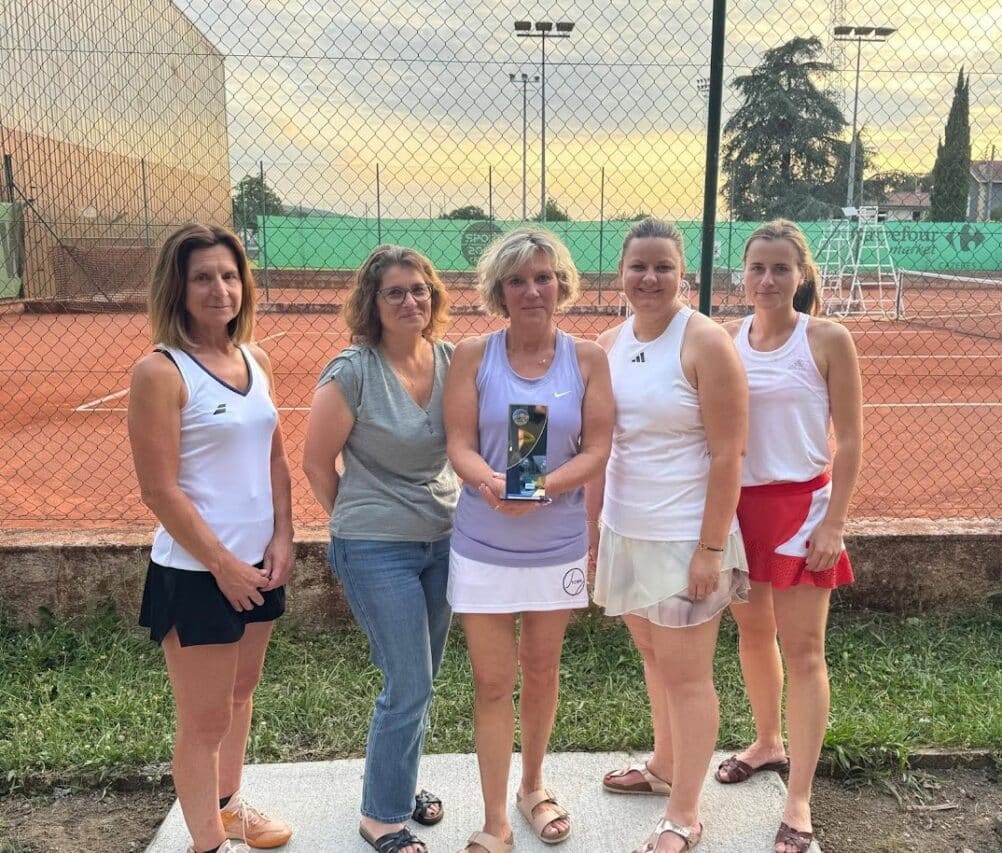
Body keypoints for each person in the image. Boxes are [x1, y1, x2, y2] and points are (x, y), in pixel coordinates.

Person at [444, 228, 613, 853]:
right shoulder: (471, 354)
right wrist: (490, 480)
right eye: (517, 280)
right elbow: (458, 443)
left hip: (556, 544)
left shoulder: (588, 357)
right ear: (499, 292)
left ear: (561, 285)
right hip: (483, 544)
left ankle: (534, 787)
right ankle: (495, 818)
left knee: (541, 671)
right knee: (492, 683)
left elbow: (597, 448)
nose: (531, 290)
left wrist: (543, 484)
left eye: (543, 277)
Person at [587, 218, 749, 853]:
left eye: (662, 266)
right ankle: (661, 768)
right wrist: (597, 532)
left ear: (683, 271)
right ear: (621, 274)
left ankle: (685, 814)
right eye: (638, 267)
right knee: (654, 658)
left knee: (688, 677)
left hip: (686, 541)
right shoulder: (607, 342)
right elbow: (600, 445)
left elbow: (729, 455)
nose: (649, 278)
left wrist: (711, 549)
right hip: (626, 531)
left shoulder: (705, 342)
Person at [130, 224, 294, 853]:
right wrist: (223, 564)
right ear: (178, 287)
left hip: (259, 565)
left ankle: (226, 808)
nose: (220, 288)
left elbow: (274, 457)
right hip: (197, 573)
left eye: (229, 275)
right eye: (203, 277)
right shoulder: (160, 371)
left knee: (241, 694)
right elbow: (159, 489)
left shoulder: (256, 358)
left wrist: (284, 535)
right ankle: (208, 844)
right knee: (204, 720)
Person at [302, 245, 457, 853]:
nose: (410, 300)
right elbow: (317, 464)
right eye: (395, 292)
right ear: (373, 302)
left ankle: (399, 779)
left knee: (422, 678)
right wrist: (356, 522)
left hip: (442, 539)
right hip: (375, 546)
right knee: (409, 681)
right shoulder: (353, 371)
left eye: (419, 289)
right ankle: (381, 815)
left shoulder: (451, 360)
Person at [714, 220, 862, 853]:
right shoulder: (725, 339)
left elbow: (850, 441)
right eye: (757, 268)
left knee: (803, 651)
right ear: (742, 275)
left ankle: (798, 795)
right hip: (740, 510)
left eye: (780, 268)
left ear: (801, 274)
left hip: (802, 510)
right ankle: (768, 741)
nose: (768, 279)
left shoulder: (826, 338)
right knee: (751, 633)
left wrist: (834, 523)